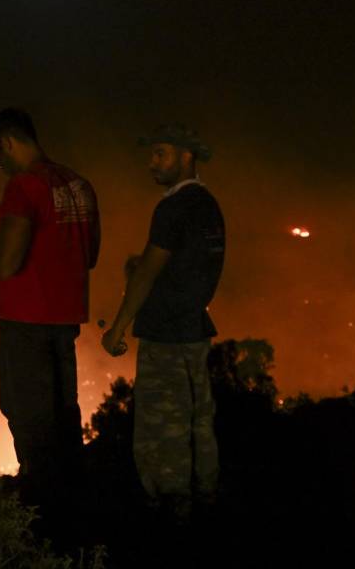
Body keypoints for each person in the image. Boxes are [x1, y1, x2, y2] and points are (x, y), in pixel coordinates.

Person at [0, 107, 100, 530]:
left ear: (8, 143)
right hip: (65, 321)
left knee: (28, 416)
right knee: (64, 417)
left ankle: (43, 521)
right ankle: (76, 512)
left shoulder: (22, 187)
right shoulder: (80, 185)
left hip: (25, 322)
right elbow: (91, 255)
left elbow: (6, 264)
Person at [101, 123, 225, 520]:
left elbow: (150, 271)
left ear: (186, 156)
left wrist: (118, 327)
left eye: (160, 153)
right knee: (198, 425)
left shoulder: (173, 207)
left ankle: (169, 518)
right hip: (194, 331)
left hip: (166, 337)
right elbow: (188, 267)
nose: (151, 162)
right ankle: (206, 502)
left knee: (161, 436)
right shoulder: (209, 207)